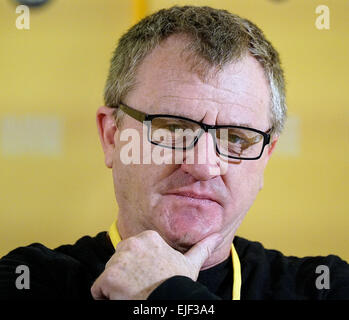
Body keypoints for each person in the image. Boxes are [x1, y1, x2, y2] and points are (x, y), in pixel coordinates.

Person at [0, 5, 348, 300]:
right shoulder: (26, 280)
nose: (202, 164)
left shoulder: (326, 286)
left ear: (266, 157)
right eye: (173, 129)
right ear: (111, 136)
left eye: (236, 138)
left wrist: (167, 292)